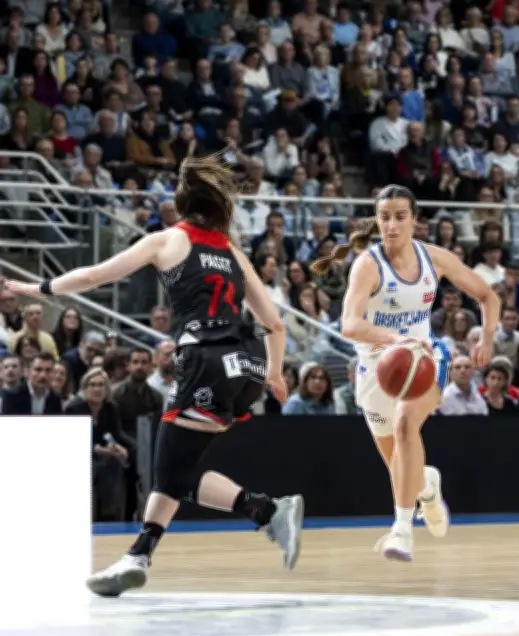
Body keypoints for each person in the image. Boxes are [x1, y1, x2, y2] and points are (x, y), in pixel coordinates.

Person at [2, 155, 303, 597]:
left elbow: (94, 275)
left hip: (205, 358)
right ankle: (143, 553)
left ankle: (270, 511)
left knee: (169, 471)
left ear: (182, 202)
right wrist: (274, 374)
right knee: (177, 470)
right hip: (247, 365)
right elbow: (274, 323)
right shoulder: (233, 252)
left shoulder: (167, 241)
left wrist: (39, 289)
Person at [311, 184, 498, 562]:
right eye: (384, 217)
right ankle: (427, 487)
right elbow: (349, 324)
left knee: (403, 424)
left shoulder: (435, 258)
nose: (392, 224)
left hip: (425, 359)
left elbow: (488, 296)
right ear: (376, 222)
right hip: (377, 368)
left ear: (415, 220)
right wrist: (396, 339)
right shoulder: (368, 264)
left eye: (400, 216)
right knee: (400, 465)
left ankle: (401, 531)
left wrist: (487, 338)